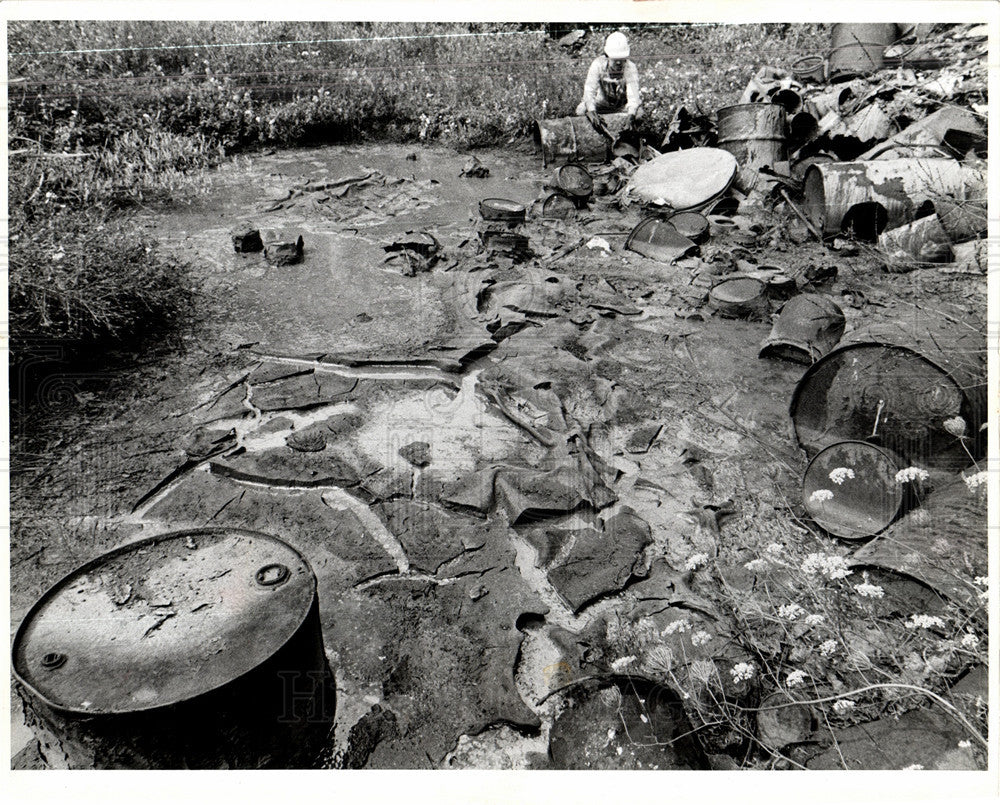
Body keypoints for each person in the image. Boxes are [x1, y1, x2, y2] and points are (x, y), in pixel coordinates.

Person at [575, 31, 642, 132]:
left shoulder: (630, 68)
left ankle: (631, 138)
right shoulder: (597, 65)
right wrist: (592, 112)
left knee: (639, 115)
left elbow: (633, 97)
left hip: (621, 106)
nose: (619, 62)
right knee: (581, 111)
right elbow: (589, 91)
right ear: (607, 56)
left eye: (622, 59)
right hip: (601, 103)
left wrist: (630, 117)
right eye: (615, 59)